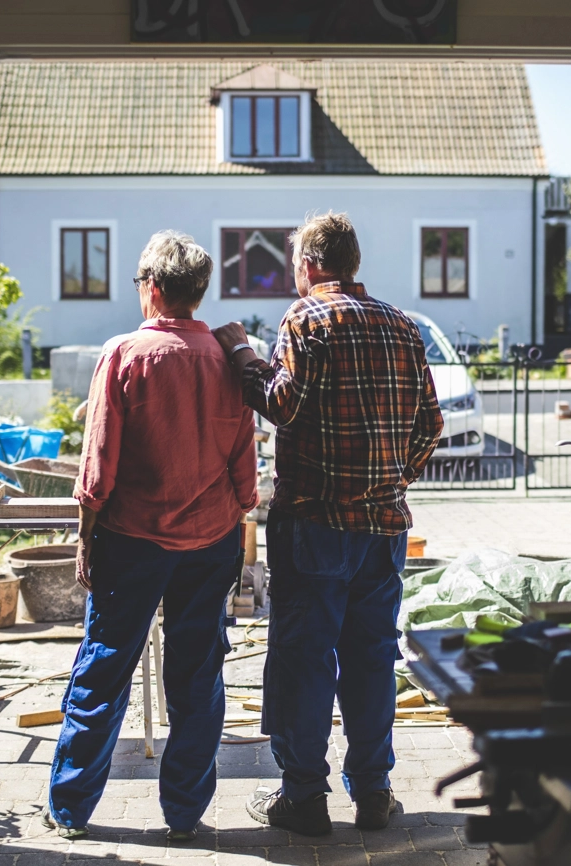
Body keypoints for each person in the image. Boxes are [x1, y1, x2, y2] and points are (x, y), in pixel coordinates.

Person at [211, 212, 443, 836]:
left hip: (315, 522)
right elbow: (431, 424)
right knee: (370, 660)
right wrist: (392, 476)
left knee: (304, 659)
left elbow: (281, 405)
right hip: (383, 528)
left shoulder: (305, 319)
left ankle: (305, 799)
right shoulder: (403, 324)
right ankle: (373, 795)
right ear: (353, 261)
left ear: (309, 264)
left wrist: (242, 357)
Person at [44, 231, 259, 841]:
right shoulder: (228, 359)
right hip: (211, 539)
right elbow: (246, 466)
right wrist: (239, 531)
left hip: (132, 540)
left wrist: (86, 534)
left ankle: (69, 808)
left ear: (155, 288)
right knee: (197, 677)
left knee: (105, 668)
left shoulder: (125, 353)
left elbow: (98, 462)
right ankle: (186, 815)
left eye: (141, 283)